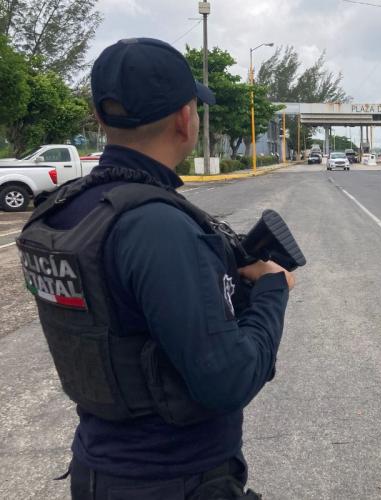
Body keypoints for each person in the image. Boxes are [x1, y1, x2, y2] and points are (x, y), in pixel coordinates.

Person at [16, 38, 294, 499]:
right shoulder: (156, 226)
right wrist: (270, 290)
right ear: (186, 119)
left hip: (98, 467)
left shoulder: (65, 210)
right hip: (174, 479)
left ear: (101, 118)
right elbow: (228, 380)